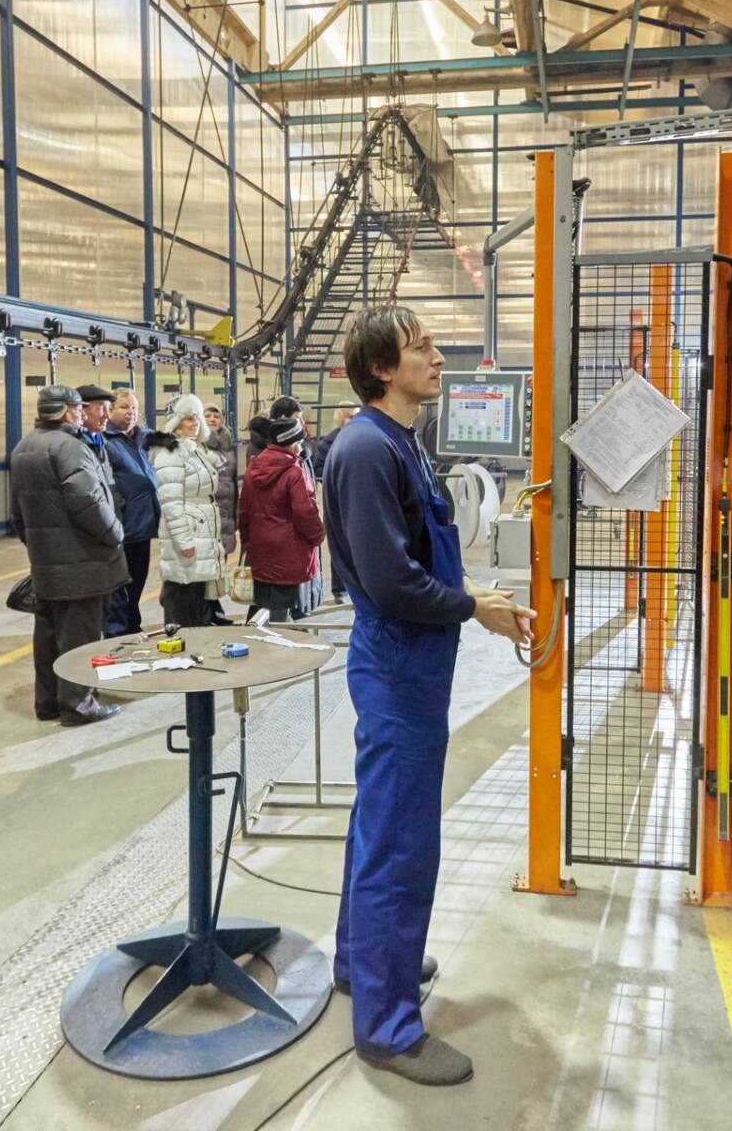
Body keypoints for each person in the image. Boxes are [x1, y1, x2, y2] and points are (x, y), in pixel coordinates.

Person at [322, 306, 533, 1087]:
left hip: (414, 656)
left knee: (382, 823)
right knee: (401, 842)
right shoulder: (365, 450)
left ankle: (361, 963)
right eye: (424, 348)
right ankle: (387, 1028)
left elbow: (422, 553)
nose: (440, 358)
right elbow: (388, 581)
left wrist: (474, 593)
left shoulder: (400, 440)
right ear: (383, 368)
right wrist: (471, 607)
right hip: (398, 660)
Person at [9, 386, 126, 726]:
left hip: (46, 562)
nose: (81, 414)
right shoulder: (71, 447)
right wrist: (115, 534)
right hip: (81, 561)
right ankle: (78, 704)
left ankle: (47, 702)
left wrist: (37, 546)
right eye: (78, 409)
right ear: (66, 411)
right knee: (80, 636)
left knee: (48, 634)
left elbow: (17, 511)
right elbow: (87, 500)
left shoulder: (23, 447)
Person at [143, 394, 226, 629]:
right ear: (175, 422)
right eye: (188, 418)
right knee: (181, 596)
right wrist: (184, 540)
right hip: (188, 538)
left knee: (196, 597)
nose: (195, 422)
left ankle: (195, 643)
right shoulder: (171, 454)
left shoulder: (194, 450)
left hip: (200, 534)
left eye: (197, 417)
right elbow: (170, 503)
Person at [238, 415, 326, 624]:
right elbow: (305, 513)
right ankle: (278, 639)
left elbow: (244, 510)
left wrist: (247, 543)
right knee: (282, 610)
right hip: (289, 552)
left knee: (264, 603)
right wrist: (318, 535)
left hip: (261, 548)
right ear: (290, 443)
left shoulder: (253, 468)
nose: (300, 448)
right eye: (298, 442)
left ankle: (261, 635)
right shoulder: (294, 472)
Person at [101, 386, 160, 636]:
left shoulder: (142, 437)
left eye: (134, 407)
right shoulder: (105, 440)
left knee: (138, 578)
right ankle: (116, 631)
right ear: (110, 410)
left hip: (143, 523)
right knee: (119, 583)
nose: (131, 412)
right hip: (122, 523)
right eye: (124, 407)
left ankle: (132, 625)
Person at [314, 405, 359, 601]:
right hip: (339, 499)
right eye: (350, 416)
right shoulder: (329, 442)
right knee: (340, 543)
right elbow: (319, 468)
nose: (354, 419)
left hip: (360, 498)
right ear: (341, 418)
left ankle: (360, 586)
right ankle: (339, 588)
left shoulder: (363, 438)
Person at [203, 403, 239, 625]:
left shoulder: (227, 446)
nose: (212, 419)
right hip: (208, 515)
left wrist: (236, 514)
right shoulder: (199, 445)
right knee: (207, 567)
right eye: (207, 415)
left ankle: (214, 611)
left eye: (216, 415)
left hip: (225, 517)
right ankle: (209, 612)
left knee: (218, 568)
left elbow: (234, 481)